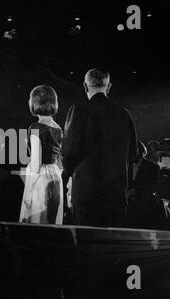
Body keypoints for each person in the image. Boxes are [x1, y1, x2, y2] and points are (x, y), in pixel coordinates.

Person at [62, 69, 137, 227]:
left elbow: (69, 152)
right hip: (115, 193)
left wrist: (64, 179)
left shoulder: (78, 110)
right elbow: (132, 153)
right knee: (112, 245)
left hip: (86, 192)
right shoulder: (123, 113)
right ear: (108, 87)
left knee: (85, 243)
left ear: (85, 86)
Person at [20, 85, 63, 224]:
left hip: (40, 178)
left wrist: (29, 194)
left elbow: (36, 163)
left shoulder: (35, 127)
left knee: (37, 221)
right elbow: (59, 161)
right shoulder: (58, 128)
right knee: (53, 220)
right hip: (55, 175)